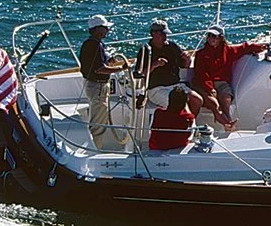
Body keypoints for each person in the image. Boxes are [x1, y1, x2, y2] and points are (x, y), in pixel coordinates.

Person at [193, 25, 265, 130]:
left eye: (214, 36)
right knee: (214, 104)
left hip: (222, 84)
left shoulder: (228, 51)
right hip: (203, 84)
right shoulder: (201, 54)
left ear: (221, 38)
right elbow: (200, 74)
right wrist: (210, 88)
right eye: (209, 35)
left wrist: (260, 48)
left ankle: (229, 122)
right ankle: (226, 123)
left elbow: (244, 48)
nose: (211, 38)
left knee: (226, 99)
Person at [134, 19, 203, 115]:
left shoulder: (172, 47)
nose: (165, 36)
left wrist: (188, 60)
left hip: (176, 85)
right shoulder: (146, 50)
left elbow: (183, 66)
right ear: (154, 34)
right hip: (156, 89)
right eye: (163, 34)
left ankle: (188, 124)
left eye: (166, 34)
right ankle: (186, 127)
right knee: (180, 104)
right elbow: (140, 74)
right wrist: (154, 65)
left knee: (197, 100)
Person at [79, 14, 126, 150]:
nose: (108, 31)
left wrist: (109, 62)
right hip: (98, 87)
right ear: (98, 29)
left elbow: (97, 64)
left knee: (97, 118)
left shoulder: (92, 44)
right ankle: (95, 150)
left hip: (94, 86)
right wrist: (120, 68)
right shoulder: (95, 45)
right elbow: (100, 69)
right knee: (99, 123)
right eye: (106, 28)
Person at [148, 86, 195, 151]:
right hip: (178, 150)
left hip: (156, 148)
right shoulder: (189, 118)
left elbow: (152, 129)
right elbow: (190, 137)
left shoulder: (158, 113)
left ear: (169, 100)